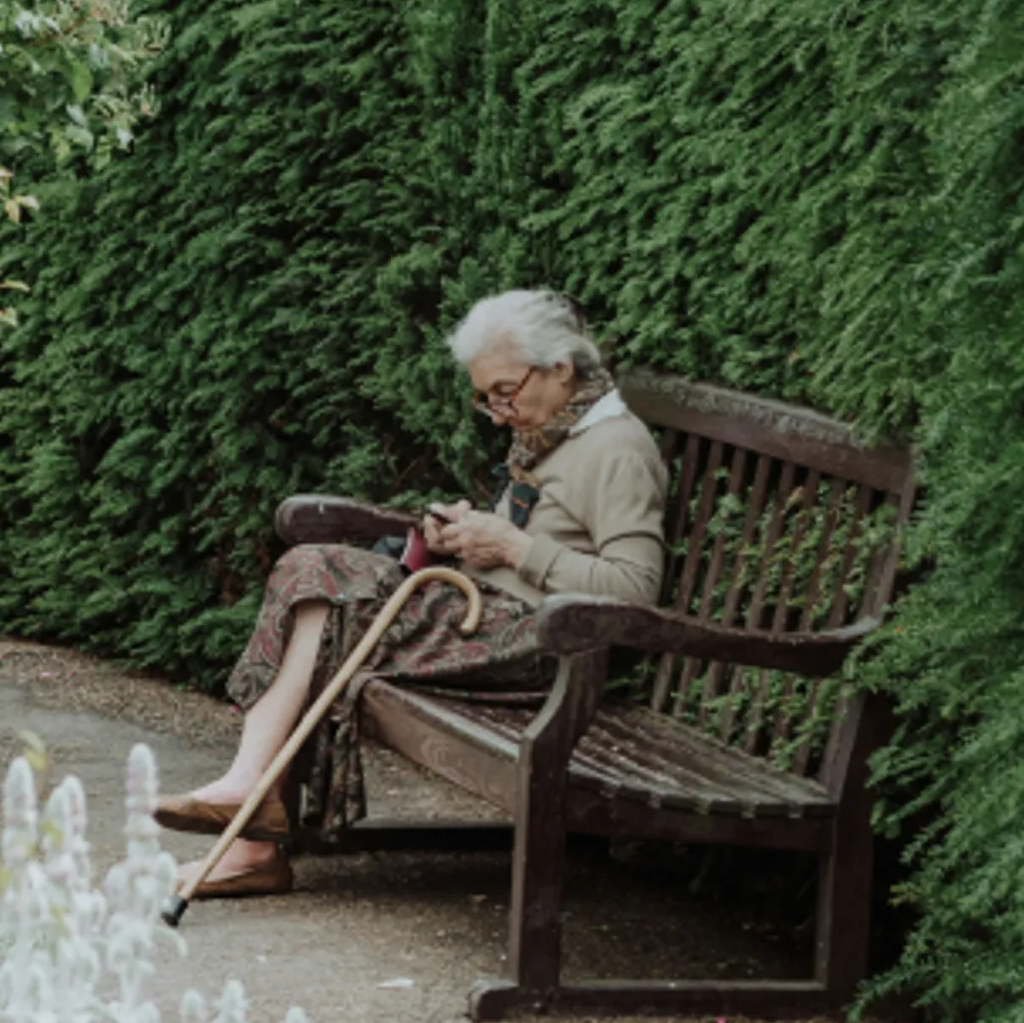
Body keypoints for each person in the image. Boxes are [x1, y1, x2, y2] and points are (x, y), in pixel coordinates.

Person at [159, 290, 669, 897]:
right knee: (312, 576)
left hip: (547, 651)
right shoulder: (554, 431)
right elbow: (537, 539)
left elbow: (636, 593)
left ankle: (251, 830)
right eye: (485, 397)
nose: (498, 411)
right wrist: (463, 536)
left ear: (561, 366)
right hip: (488, 620)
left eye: (505, 391)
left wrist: (510, 547)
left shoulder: (616, 448)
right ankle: (251, 809)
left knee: (324, 588)